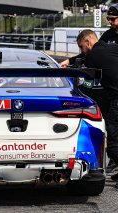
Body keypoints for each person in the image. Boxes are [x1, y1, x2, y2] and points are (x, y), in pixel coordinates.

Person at [75, 29, 118, 187]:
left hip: (117, 98)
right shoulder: (112, 47)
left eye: (81, 47)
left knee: (112, 140)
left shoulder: (92, 57)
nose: (82, 51)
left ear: (88, 42)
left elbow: (86, 84)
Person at [60, 4, 118, 68]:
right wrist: (69, 61)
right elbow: (93, 51)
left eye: (112, 19)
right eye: (108, 18)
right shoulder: (108, 34)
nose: (109, 21)